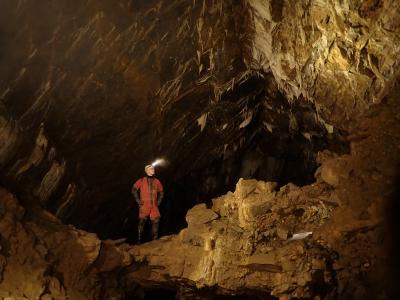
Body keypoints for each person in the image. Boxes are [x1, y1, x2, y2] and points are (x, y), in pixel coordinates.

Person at [132, 164, 164, 243]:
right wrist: (138, 200)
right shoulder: (142, 180)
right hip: (144, 204)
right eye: (151, 169)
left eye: (153, 168)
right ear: (147, 171)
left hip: (154, 205)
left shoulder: (157, 181)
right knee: (142, 221)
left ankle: (154, 241)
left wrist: (159, 201)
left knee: (156, 221)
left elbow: (161, 192)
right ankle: (139, 241)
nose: (153, 170)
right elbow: (134, 189)